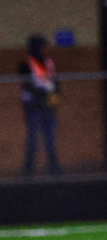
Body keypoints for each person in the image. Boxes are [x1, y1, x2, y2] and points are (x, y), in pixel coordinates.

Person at [20, 34, 61, 175]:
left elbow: (55, 81)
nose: (43, 49)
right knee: (34, 137)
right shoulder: (26, 63)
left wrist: (55, 96)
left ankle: (53, 166)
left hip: (48, 104)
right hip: (33, 105)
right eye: (41, 46)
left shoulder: (48, 62)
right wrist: (42, 96)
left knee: (50, 137)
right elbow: (28, 85)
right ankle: (29, 168)